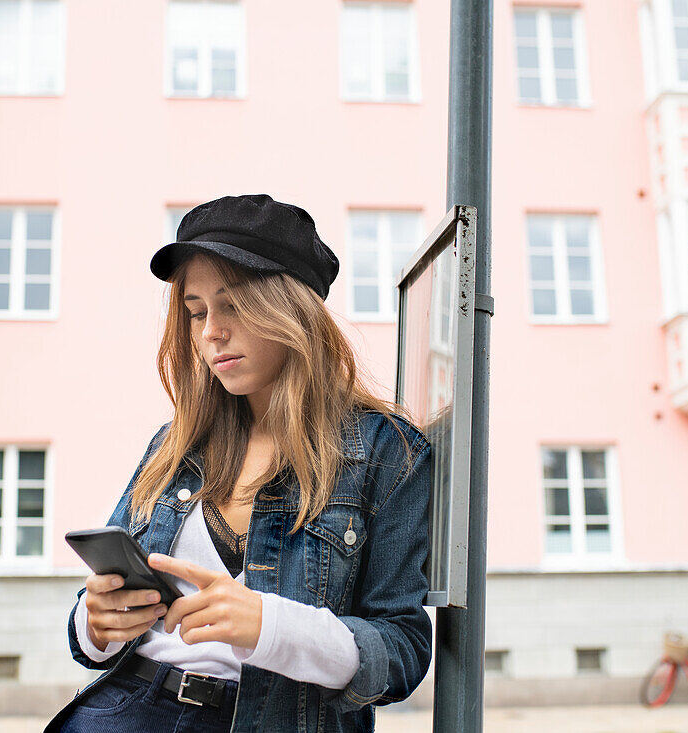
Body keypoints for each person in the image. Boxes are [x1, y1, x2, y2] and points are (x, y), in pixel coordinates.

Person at [45, 194, 433, 733]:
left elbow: (402, 651)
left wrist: (271, 627)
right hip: (126, 711)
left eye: (232, 305)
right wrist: (97, 623)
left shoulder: (388, 451)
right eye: (197, 312)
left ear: (289, 309)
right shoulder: (174, 444)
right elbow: (92, 633)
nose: (210, 332)